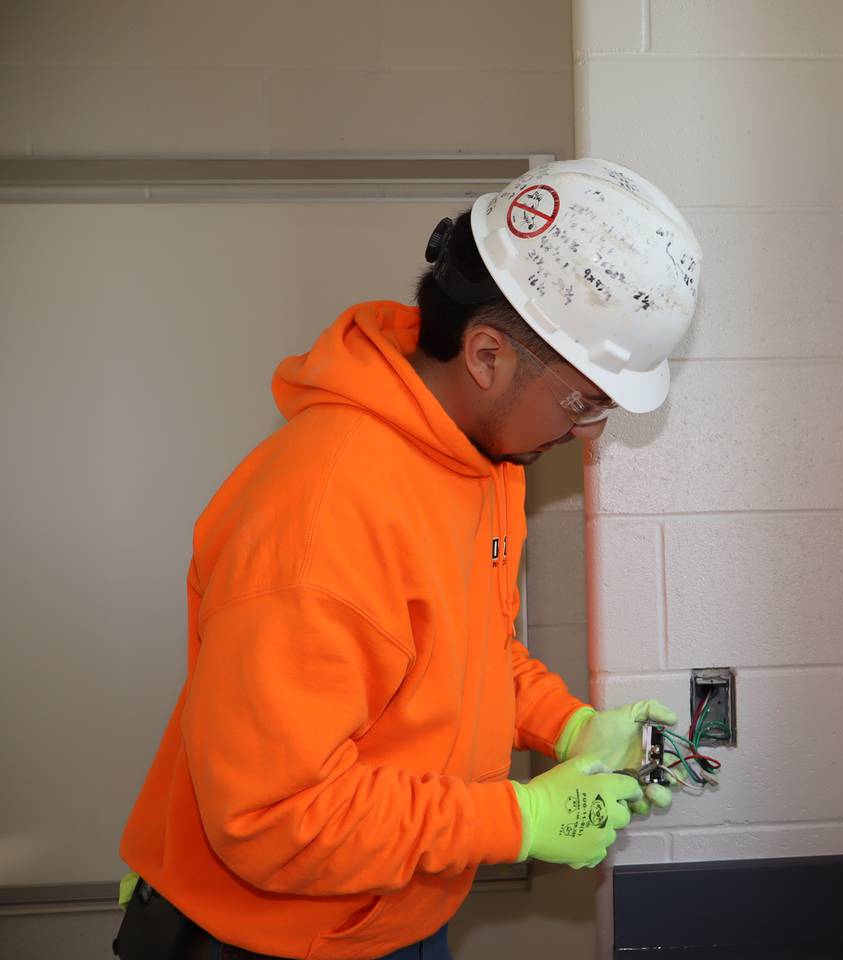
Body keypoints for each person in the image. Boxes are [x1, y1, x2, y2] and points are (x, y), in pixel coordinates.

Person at [113, 158, 702, 960]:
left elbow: (464, 652)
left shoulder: (479, 460)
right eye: (583, 403)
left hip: (389, 905)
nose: (589, 433)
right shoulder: (319, 517)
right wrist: (519, 820)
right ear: (487, 356)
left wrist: (570, 728)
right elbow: (273, 816)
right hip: (262, 933)